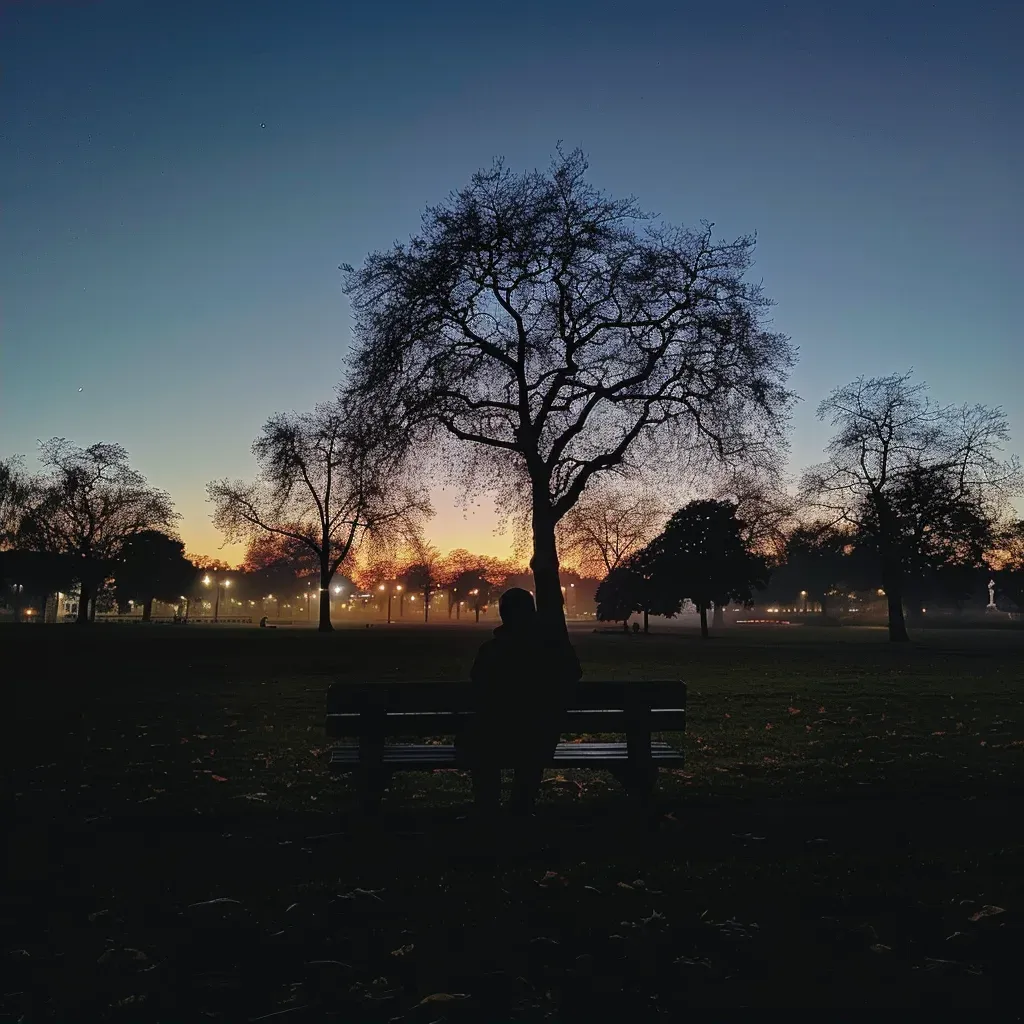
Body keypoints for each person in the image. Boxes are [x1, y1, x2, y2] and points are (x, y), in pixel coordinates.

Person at [459, 587, 582, 816]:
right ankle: (521, 805)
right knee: (533, 744)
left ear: (504, 614)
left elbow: (478, 689)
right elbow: (573, 674)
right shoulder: (550, 651)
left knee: (481, 742)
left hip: (493, 738)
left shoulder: (490, 652)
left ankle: (488, 805)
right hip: (538, 739)